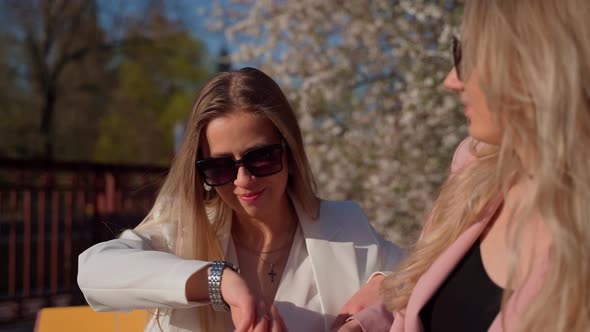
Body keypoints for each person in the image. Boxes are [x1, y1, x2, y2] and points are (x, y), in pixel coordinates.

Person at [77, 67, 403, 332]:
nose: (243, 180)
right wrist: (220, 282)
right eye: (220, 167)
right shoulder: (184, 232)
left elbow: (424, 272)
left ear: (289, 153)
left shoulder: (345, 226)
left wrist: (380, 293)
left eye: (260, 158)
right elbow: (94, 271)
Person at [337, 0, 590, 331]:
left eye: (467, 56)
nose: (451, 81)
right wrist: (366, 322)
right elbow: (419, 289)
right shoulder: (473, 171)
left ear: (534, 64)